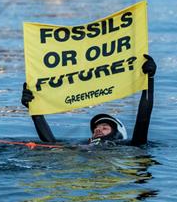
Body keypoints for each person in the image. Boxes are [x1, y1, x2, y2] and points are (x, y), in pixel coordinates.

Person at [21, 54, 156, 146]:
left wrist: (149, 80)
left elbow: (143, 120)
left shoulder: (131, 146)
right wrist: (35, 110)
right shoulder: (81, 145)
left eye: (105, 128)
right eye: (97, 128)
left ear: (119, 134)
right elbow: (51, 145)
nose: (98, 130)